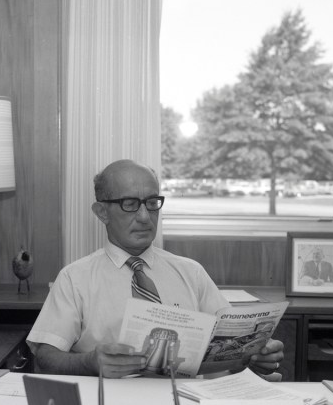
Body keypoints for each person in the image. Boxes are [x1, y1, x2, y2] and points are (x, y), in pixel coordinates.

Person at [26, 159, 285, 380]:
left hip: (187, 402)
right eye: (130, 203)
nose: (144, 216)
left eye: (152, 202)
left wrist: (255, 356)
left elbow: (231, 342)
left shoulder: (191, 273)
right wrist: (89, 362)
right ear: (102, 212)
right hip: (112, 404)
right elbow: (45, 357)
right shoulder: (75, 278)